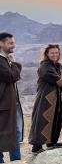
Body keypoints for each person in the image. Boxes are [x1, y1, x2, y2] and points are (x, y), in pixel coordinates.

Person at [29, 44, 62, 153]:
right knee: (42, 120)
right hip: (45, 98)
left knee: (56, 118)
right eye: (52, 53)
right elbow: (57, 79)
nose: (54, 55)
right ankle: (36, 147)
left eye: (56, 52)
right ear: (47, 54)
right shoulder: (44, 66)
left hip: (56, 97)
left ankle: (52, 142)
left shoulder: (58, 66)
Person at [0, 32, 24, 163]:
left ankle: (16, 160)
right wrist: (15, 64)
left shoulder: (5, 60)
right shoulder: (1, 61)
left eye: (13, 43)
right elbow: (11, 77)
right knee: (3, 133)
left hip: (8, 105)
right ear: (1, 44)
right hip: (2, 106)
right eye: (10, 43)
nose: (13, 45)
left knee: (14, 132)